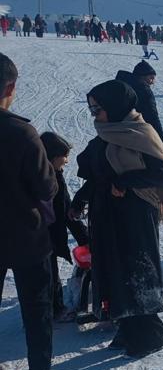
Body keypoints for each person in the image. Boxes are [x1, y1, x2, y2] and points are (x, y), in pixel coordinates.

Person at [71, 80, 163, 359]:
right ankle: (126, 327)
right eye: (91, 109)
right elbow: (99, 173)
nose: (94, 114)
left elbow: (162, 173)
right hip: (107, 215)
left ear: (115, 106)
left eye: (98, 108)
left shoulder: (140, 133)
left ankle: (149, 334)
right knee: (114, 270)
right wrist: (81, 198)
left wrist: (126, 181)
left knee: (138, 271)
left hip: (135, 214)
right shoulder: (105, 134)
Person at [0, 53, 84, 370]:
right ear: (11, 87)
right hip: (25, 236)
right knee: (36, 309)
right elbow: (46, 189)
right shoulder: (21, 132)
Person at [39, 132, 90, 321]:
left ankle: (51, 306)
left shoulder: (52, 174)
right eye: (65, 156)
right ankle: (54, 309)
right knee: (48, 274)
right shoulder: (49, 179)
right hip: (44, 236)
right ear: (52, 157)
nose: (67, 161)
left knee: (47, 272)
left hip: (42, 234)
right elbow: (66, 211)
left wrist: (84, 238)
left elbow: (67, 210)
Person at [115, 60, 163, 148]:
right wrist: (162, 142)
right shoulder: (144, 91)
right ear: (142, 77)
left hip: (113, 130)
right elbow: (152, 117)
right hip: (135, 133)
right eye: (151, 78)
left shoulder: (122, 85)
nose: (152, 82)